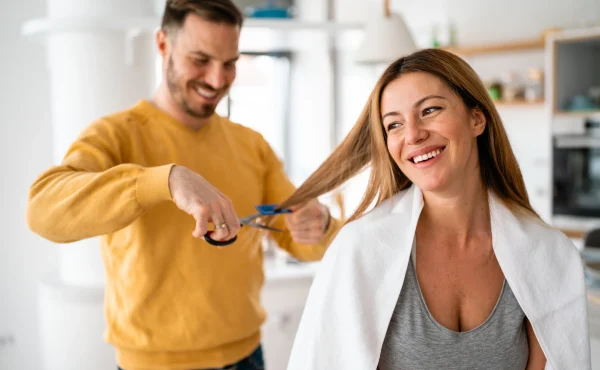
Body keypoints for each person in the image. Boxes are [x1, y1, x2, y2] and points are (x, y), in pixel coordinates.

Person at [25, 1, 342, 369]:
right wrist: (165, 180)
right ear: (162, 45)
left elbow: (300, 238)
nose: (216, 80)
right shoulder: (116, 136)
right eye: (200, 60)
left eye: (230, 64)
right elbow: (42, 211)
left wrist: (320, 224)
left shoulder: (251, 144)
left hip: (247, 356)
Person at [279, 48, 591, 369]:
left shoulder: (547, 255)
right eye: (394, 125)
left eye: (429, 110)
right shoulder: (359, 249)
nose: (413, 134)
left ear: (476, 119)